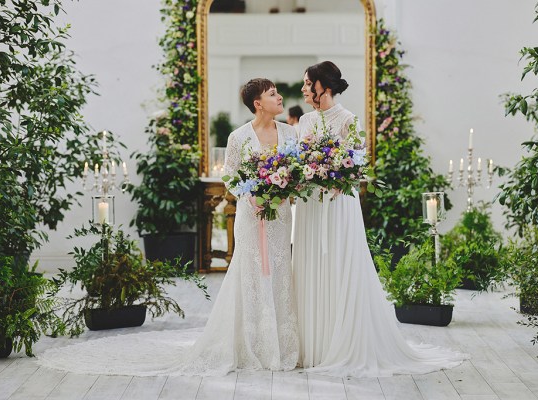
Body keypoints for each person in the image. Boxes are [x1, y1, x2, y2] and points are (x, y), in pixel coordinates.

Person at [37, 78, 299, 377]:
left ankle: (282, 345)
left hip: (279, 215)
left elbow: (294, 170)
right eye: (272, 94)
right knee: (250, 273)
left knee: (279, 271)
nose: (279, 98)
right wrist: (252, 196)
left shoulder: (290, 132)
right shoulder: (239, 136)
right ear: (257, 103)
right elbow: (231, 176)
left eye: (277, 93)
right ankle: (250, 344)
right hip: (251, 216)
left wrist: (282, 190)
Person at [292, 61, 467, 378]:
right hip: (309, 208)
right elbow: (296, 163)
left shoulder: (348, 120)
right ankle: (310, 347)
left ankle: (337, 343)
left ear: (324, 87)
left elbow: (356, 166)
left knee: (337, 267)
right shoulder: (303, 122)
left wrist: (331, 175)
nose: (303, 89)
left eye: (308, 83)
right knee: (309, 267)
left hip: (337, 205)